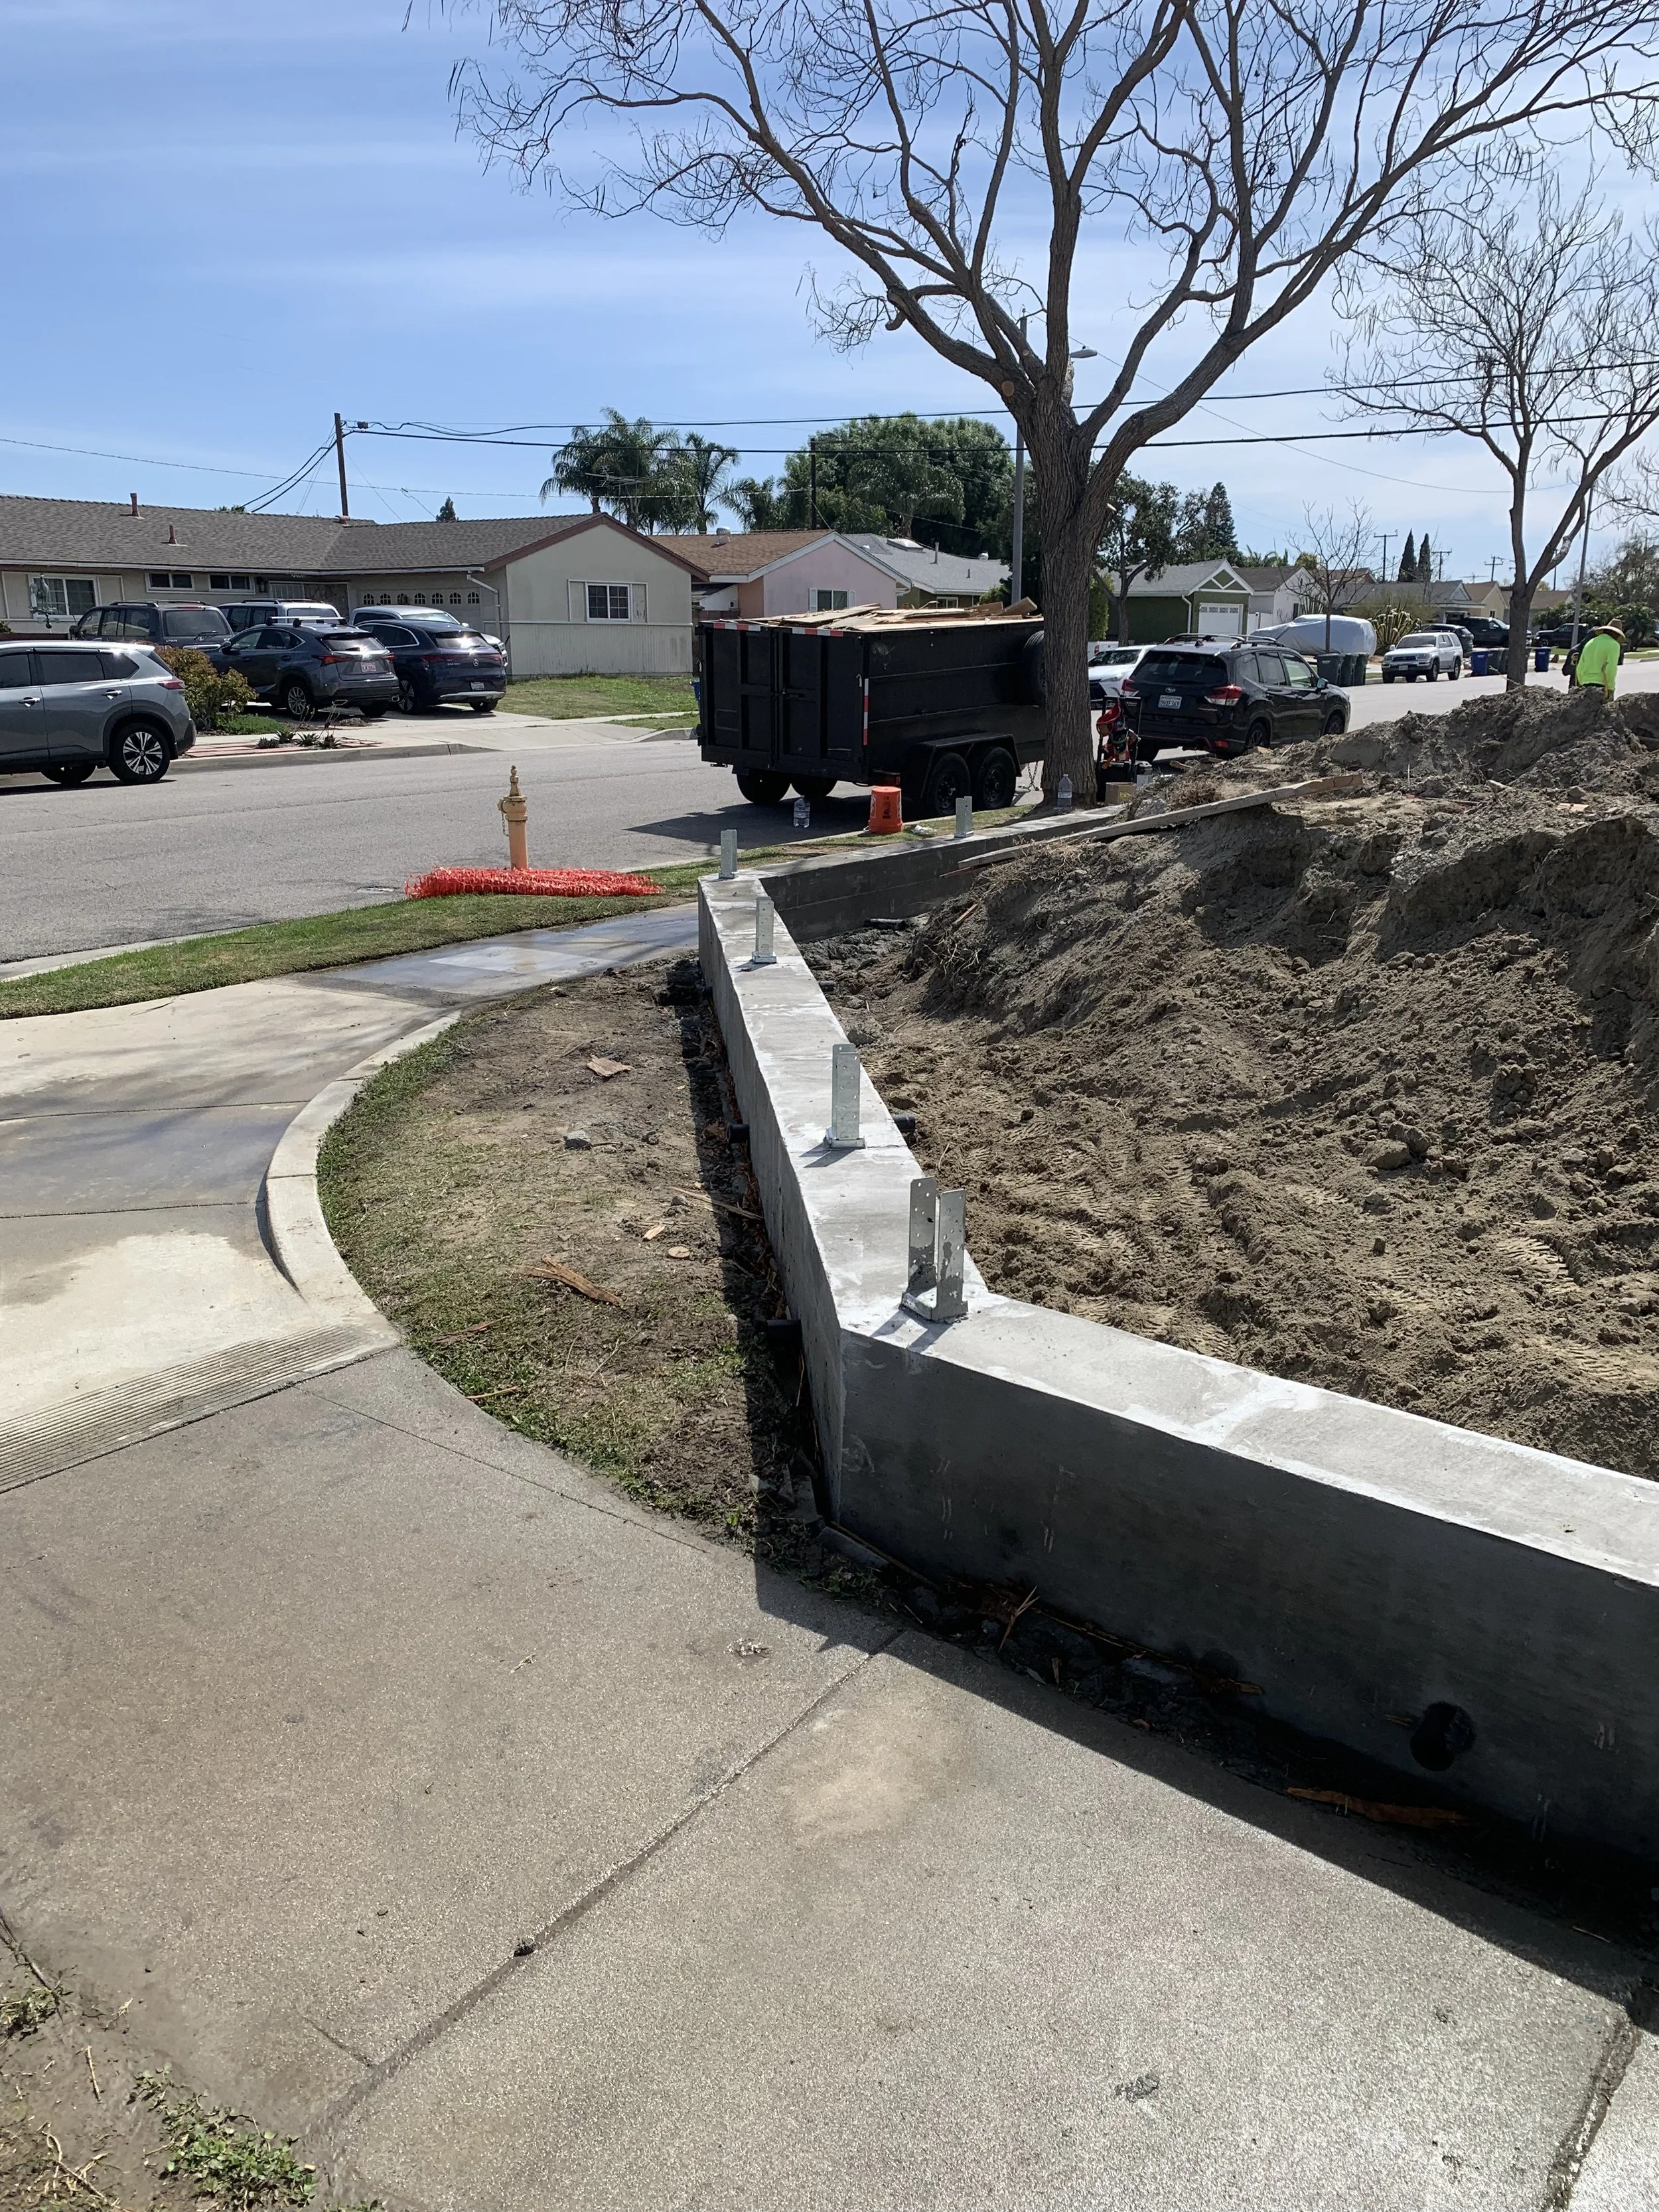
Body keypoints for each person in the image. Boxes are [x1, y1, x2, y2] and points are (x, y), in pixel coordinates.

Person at [1574, 622, 1624, 699]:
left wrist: (1582, 683)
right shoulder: (1614, 645)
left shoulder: (1590, 643)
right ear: (1616, 634)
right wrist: (1610, 688)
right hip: (1602, 685)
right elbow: (1611, 669)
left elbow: (1580, 668)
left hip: (1585, 685)